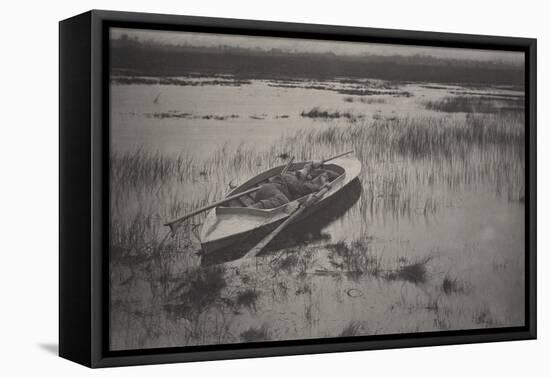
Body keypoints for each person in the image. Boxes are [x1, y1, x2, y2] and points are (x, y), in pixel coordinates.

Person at [250, 162, 331, 209]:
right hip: (268, 191)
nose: (308, 177)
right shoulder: (290, 175)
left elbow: (302, 190)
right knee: (284, 201)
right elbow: (301, 188)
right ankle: (251, 209)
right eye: (307, 175)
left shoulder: (298, 180)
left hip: (269, 197)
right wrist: (319, 187)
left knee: (286, 203)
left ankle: (257, 209)